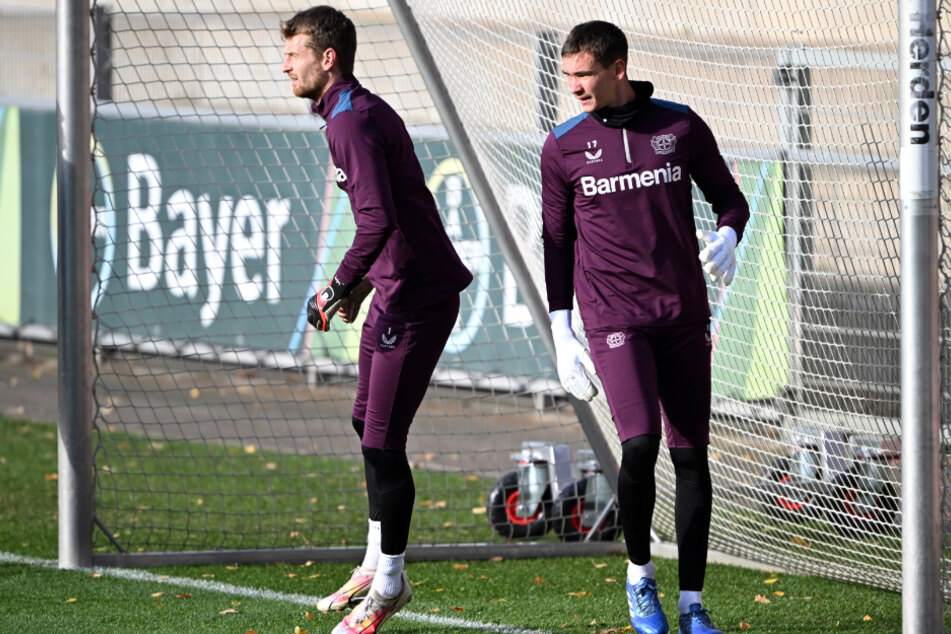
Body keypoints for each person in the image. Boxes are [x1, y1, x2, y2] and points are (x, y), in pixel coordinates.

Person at [540, 20, 750, 634]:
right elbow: (557, 239)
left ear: (618, 68)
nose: (574, 85)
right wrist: (561, 329)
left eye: (585, 74)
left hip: (683, 315)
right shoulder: (562, 146)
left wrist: (732, 235)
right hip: (613, 319)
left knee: (691, 456)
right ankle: (638, 576)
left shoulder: (680, 125)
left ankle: (691, 603)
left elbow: (730, 200)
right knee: (639, 445)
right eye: (568, 74)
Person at [280, 7, 473, 634]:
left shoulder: (353, 123)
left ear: (328, 56)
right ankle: (373, 562)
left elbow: (377, 220)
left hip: (417, 297)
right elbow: (393, 213)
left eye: (295, 53)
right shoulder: (352, 112)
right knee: (366, 420)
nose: (286, 64)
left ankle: (390, 585)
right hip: (395, 288)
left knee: (381, 441)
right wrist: (363, 286)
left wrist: (335, 288)